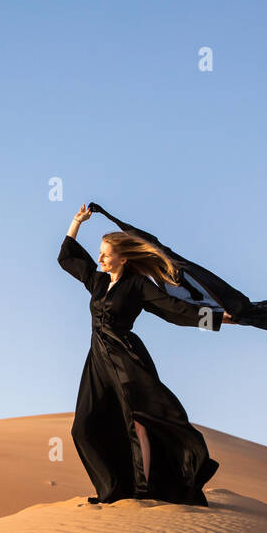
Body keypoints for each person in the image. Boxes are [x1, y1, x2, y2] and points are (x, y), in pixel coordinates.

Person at [58, 203, 232, 507]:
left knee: (139, 422)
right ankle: (113, 489)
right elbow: (67, 257)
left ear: (123, 258)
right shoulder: (97, 282)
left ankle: (143, 490)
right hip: (98, 360)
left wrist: (216, 318)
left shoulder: (137, 285)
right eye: (99, 252)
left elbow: (175, 310)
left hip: (126, 359)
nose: (99, 257)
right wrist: (77, 222)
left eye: (106, 253)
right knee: (83, 427)